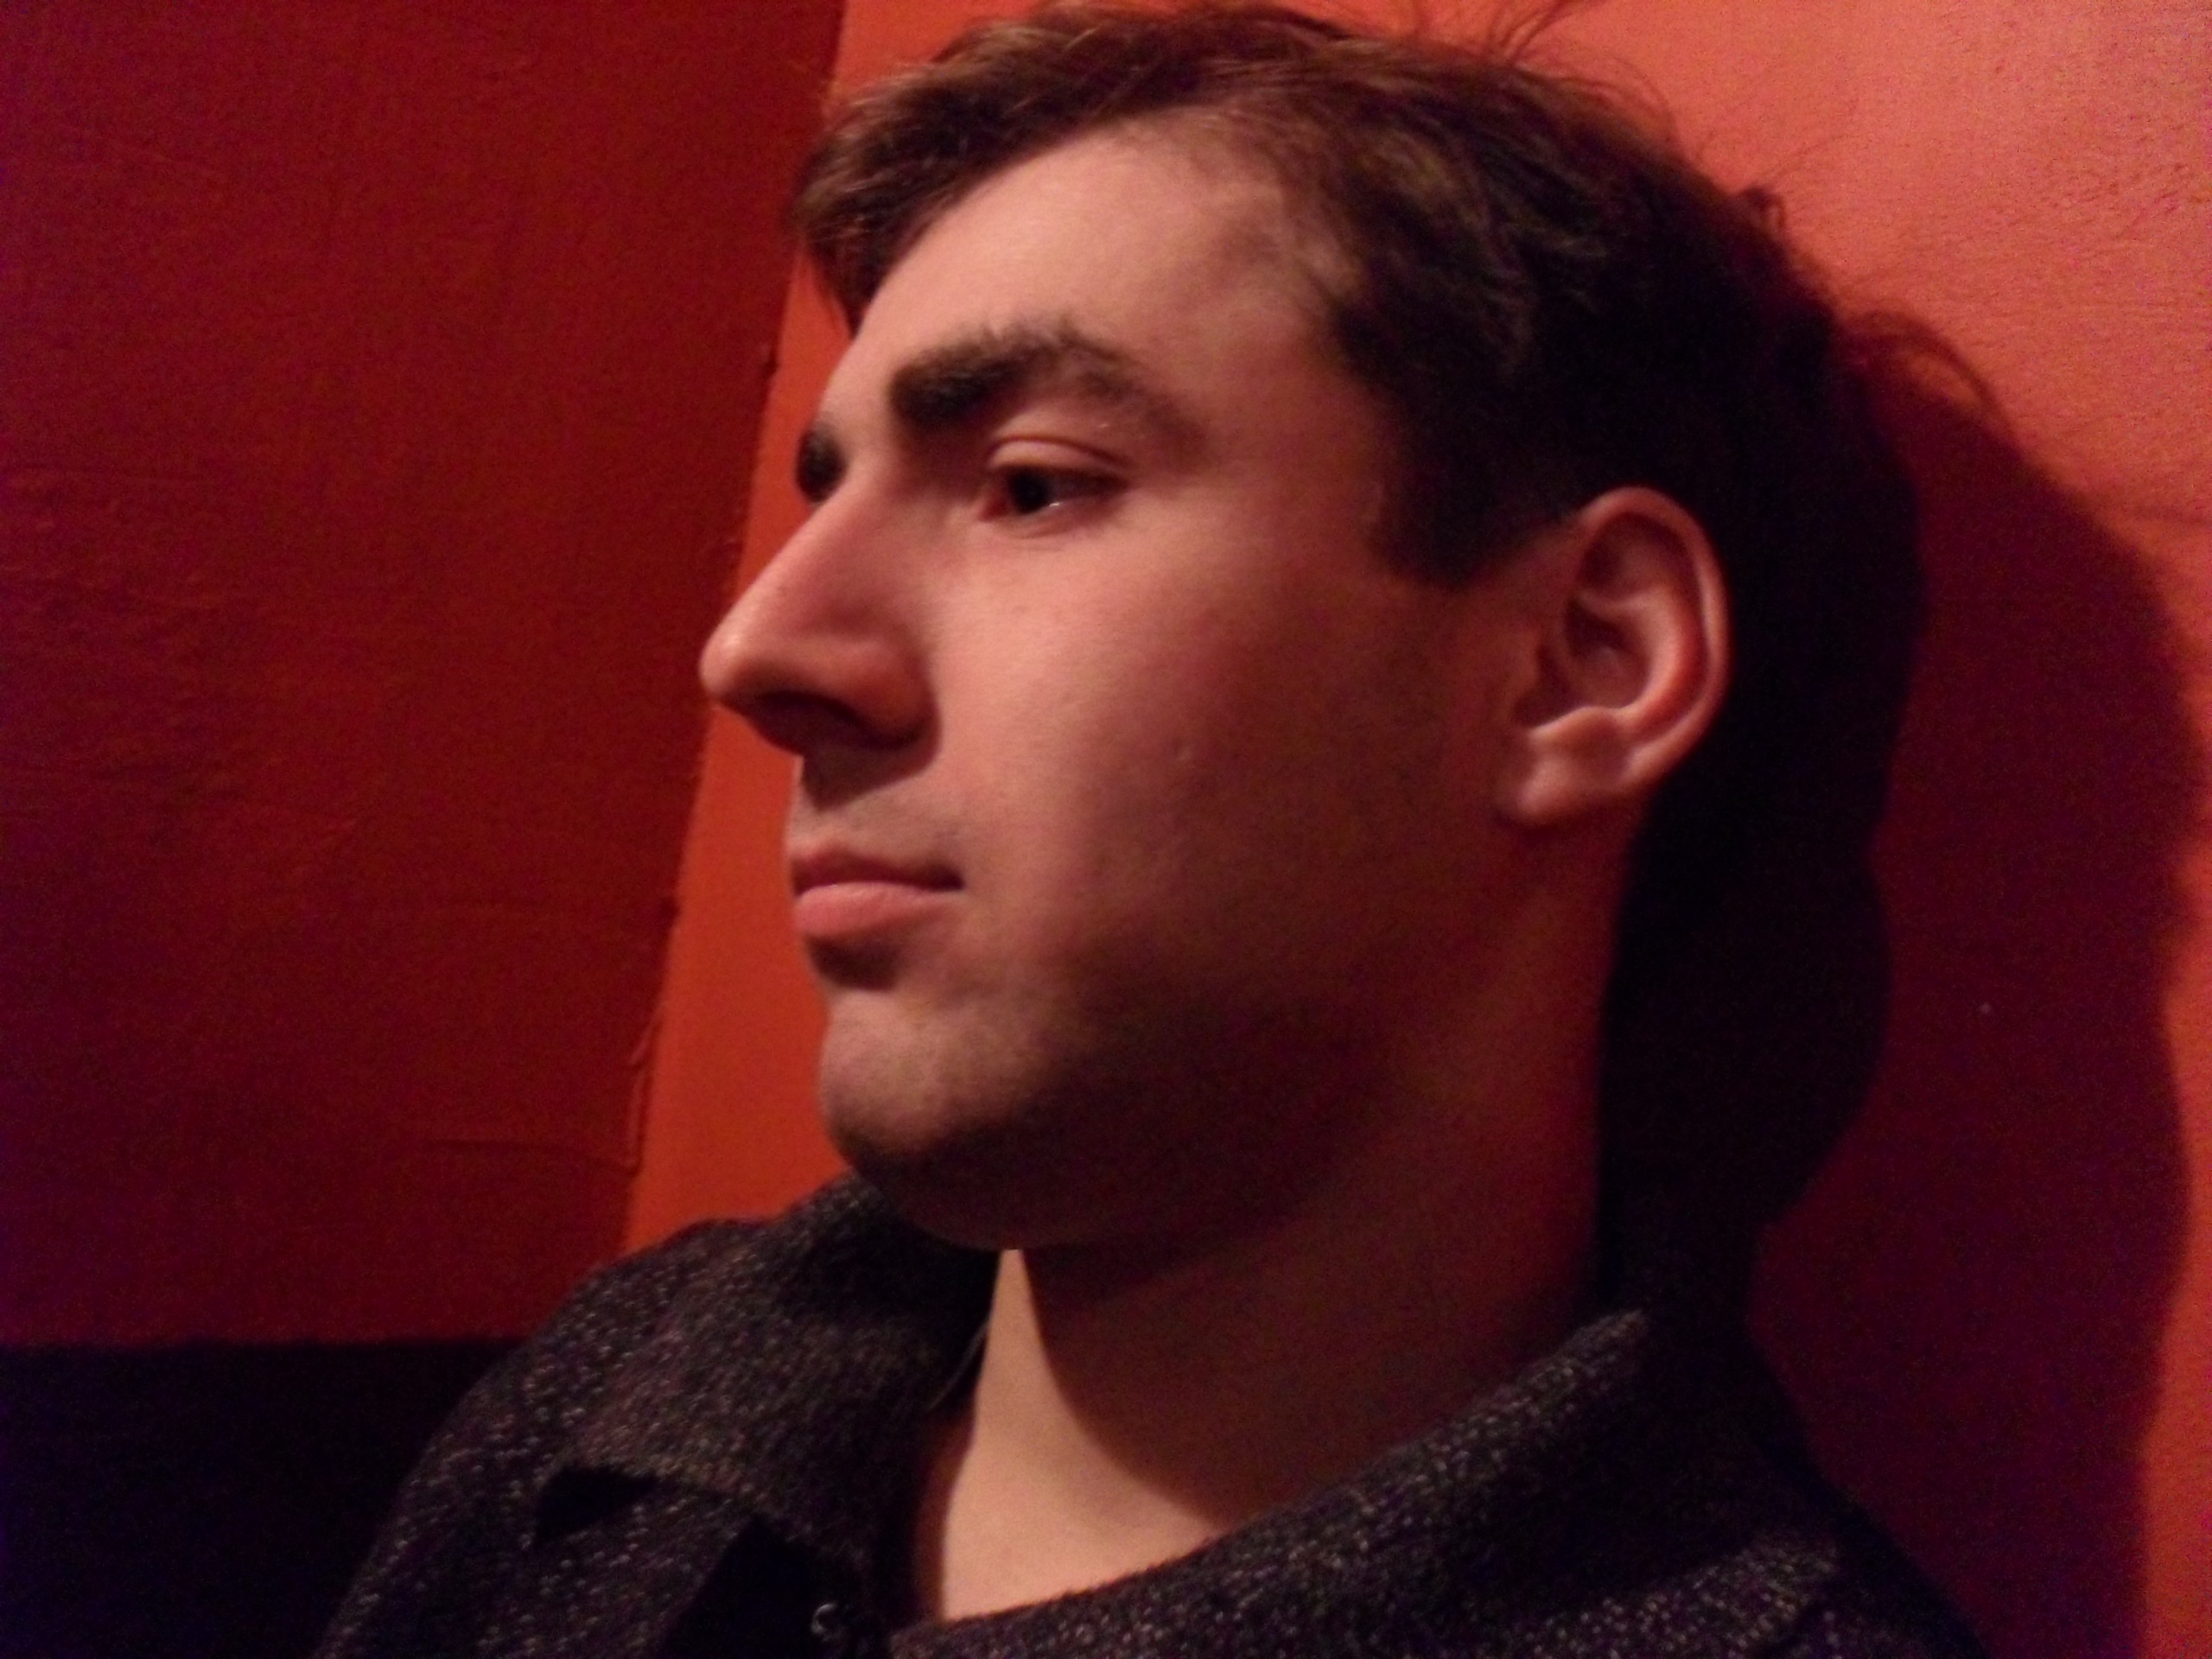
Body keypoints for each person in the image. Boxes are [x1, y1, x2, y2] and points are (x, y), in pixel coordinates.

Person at [317, 5, 1986, 1654]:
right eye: (831, 493)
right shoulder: (621, 1389)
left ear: (1582, 663)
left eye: (1033, 485)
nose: (757, 651)